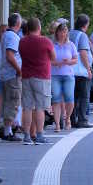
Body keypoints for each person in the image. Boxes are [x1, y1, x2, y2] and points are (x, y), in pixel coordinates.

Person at [19, 17, 56, 145]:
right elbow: (53, 57)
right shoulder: (45, 41)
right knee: (40, 107)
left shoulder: (22, 42)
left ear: (28, 28)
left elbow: (22, 55)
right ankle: (39, 135)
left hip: (26, 76)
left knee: (27, 107)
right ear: (39, 28)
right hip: (42, 76)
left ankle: (26, 136)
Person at [50, 21, 78, 132]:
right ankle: (57, 124)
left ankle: (68, 118)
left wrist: (69, 61)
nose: (63, 34)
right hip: (55, 75)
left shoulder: (71, 45)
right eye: (61, 32)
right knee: (56, 99)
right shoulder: (53, 45)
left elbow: (76, 59)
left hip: (68, 74)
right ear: (57, 33)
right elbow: (48, 60)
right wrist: (55, 63)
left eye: (65, 32)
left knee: (69, 99)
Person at [0, 13, 23, 141]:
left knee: (9, 101)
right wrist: (19, 70)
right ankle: (8, 131)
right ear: (18, 24)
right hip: (12, 74)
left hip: (6, 74)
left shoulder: (5, 35)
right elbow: (10, 55)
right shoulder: (13, 37)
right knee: (13, 101)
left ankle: (9, 128)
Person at [69, 14, 93, 128]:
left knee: (73, 96)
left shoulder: (69, 33)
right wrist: (88, 69)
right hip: (81, 71)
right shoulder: (82, 35)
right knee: (84, 96)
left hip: (69, 70)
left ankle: (72, 119)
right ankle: (82, 119)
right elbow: (83, 53)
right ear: (85, 24)